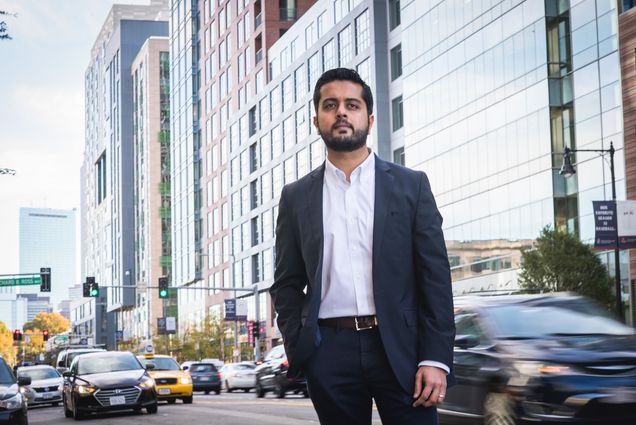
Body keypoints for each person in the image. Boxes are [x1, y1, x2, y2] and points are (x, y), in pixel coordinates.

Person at [270, 68, 455, 425]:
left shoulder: (411, 186)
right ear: (316, 120)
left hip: (402, 349)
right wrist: (301, 346)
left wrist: (434, 358)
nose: (341, 112)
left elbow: (435, 277)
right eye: (331, 105)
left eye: (351, 105)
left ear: (369, 118)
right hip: (330, 351)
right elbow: (286, 282)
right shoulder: (295, 197)